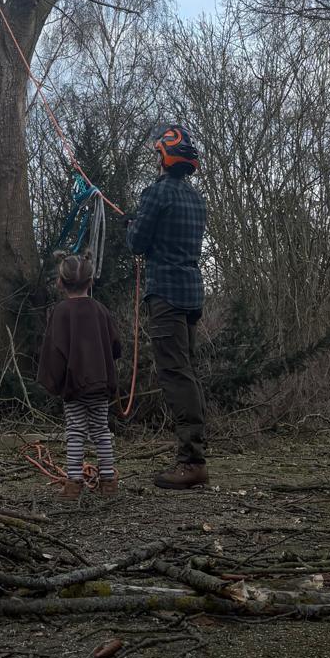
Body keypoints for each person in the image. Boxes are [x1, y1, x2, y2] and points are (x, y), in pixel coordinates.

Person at [127, 123, 209, 489]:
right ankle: (193, 455)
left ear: (163, 157)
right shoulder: (196, 199)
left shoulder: (157, 194)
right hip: (191, 294)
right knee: (186, 371)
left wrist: (133, 224)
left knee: (175, 375)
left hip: (166, 295)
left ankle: (191, 461)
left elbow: (137, 243)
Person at [37, 253, 123, 500]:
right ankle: (109, 482)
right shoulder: (100, 310)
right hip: (100, 384)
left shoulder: (61, 312)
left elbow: (54, 351)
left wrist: (55, 382)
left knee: (75, 432)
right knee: (101, 430)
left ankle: (73, 484)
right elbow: (116, 346)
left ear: (60, 282)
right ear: (90, 281)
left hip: (74, 387)